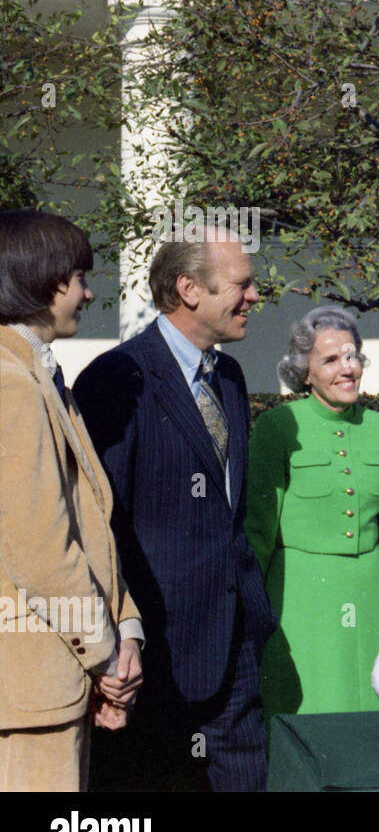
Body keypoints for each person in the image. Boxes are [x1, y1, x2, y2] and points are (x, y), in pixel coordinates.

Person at [73, 230, 276, 791]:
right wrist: (118, 639)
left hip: (234, 646)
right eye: (242, 284)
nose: (255, 296)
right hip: (154, 656)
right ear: (189, 289)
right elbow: (100, 524)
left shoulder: (228, 376)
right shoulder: (120, 380)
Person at [0, 210, 143, 791]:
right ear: (39, 279)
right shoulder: (11, 383)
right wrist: (105, 656)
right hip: (29, 695)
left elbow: (90, 531)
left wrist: (127, 628)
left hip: (51, 683)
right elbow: (40, 551)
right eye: (78, 276)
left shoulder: (36, 373)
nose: (87, 291)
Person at [246, 308, 379, 716]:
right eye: (330, 360)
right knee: (306, 715)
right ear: (304, 371)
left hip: (371, 596)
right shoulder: (278, 427)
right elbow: (257, 530)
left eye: (352, 356)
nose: (347, 369)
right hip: (300, 599)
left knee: (370, 712)